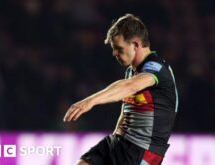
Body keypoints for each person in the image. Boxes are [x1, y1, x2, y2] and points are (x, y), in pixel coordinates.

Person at [63, 13, 178, 165]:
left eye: (119, 48)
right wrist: (116, 135)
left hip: (142, 151)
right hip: (118, 141)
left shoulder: (157, 68)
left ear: (136, 45)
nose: (114, 53)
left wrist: (90, 101)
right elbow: (127, 110)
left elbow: (129, 86)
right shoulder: (132, 71)